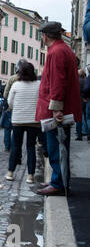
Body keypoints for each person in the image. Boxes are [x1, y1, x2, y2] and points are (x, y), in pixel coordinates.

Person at [36, 22, 82, 196]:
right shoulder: (65, 51)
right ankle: (61, 180)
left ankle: (58, 183)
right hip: (62, 108)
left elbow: (57, 82)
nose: (42, 37)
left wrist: (56, 109)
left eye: (42, 35)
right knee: (60, 146)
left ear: (46, 36)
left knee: (56, 146)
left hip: (56, 112)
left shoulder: (55, 52)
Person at [5, 62, 41, 184]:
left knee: (16, 146)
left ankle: (10, 173)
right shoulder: (39, 85)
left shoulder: (16, 85)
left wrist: (18, 107)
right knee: (31, 147)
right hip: (33, 120)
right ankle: (30, 176)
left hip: (18, 120)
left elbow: (10, 102)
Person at [76, 69, 88, 140]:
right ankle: (85, 130)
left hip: (79, 100)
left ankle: (80, 133)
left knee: (79, 117)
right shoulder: (85, 80)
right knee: (85, 116)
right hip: (84, 100)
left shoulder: (77, 81)